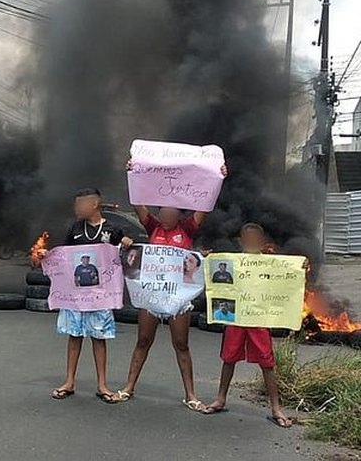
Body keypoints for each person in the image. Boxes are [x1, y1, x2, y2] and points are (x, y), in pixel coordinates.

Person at [115, 161, 228, 411]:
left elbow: (204, 205)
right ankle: (128, 387)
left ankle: (190, 394)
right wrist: (131, 173)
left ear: (179, 214)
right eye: (162, 214)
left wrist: (217, 179)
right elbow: (137, 203)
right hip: (151, 295)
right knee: (143, 341)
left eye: (170, 215)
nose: (165, 219)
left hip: (178, 297)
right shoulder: (152, 225)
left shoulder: (187, 228)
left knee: (181, 344)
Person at [202, 223, 296, 428]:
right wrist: (206, 259)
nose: (252, 243)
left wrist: (301, 267)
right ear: (241, 242)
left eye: (256, 240)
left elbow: (289, 280)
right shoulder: (232, 263)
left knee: (267, 363)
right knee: (228, 358)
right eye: (248, 240)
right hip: (236, 319)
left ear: (263, 244)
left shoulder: (272, 265)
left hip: (258, 319)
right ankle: (221, 398)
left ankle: (276, 407)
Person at [49, 188, 132, 403]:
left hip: (100, 295)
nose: (76, 209)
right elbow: (63, 257)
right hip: (76, 296)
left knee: (99, 338)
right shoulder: (75, 229)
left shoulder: (113, 229)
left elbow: (125, 254)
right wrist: (46, 259)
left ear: (94, 205)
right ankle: (69, 381)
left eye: (80, 205)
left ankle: (102, 385)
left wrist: (126, 243)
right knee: (74, 336)